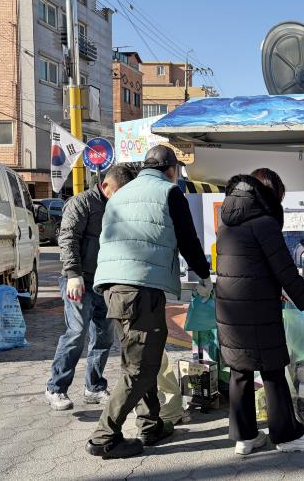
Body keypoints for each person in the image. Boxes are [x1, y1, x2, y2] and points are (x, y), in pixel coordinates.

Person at [85, 145, 213, 459]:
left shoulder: (121, 194)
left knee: (143, 359)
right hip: (140, 289)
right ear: (171, 169)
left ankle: (151, 424)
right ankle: (104, 437)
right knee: (141, 367)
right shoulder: (169, 192)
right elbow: (188, 240)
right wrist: (204, 275)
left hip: (113, 287)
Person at [216, 168, 304, 455]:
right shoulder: (264, 223)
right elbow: (284, 269)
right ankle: (287, 435)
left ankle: (245, 437)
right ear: (270, 194)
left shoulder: (226, 221)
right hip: (258, 307)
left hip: (229, 307)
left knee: (240, 370)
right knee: (273, 368)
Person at [45, 165, 135, 411]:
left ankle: (94, 387)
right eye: (119, 192)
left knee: (104, 335)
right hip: (79, 280)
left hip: (105, 281)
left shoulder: (119, 206)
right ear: (105, 186)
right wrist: (73, 274)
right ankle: (56, 388)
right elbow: (67, 238)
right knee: (76, 332)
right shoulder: (81, 203)